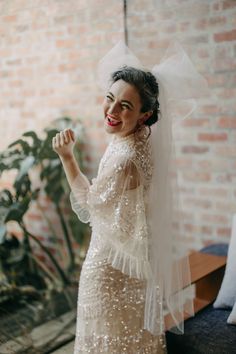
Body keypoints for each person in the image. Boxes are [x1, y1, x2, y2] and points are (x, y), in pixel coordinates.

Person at [52, 66, 167, 353]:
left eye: (125, 105)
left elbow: (88, 203)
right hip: (132, 262)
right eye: (110, 98)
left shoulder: (126, 157)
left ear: (145, 115)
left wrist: (67, 158)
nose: (112, 110)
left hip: (108, 270)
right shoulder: (139, 138)